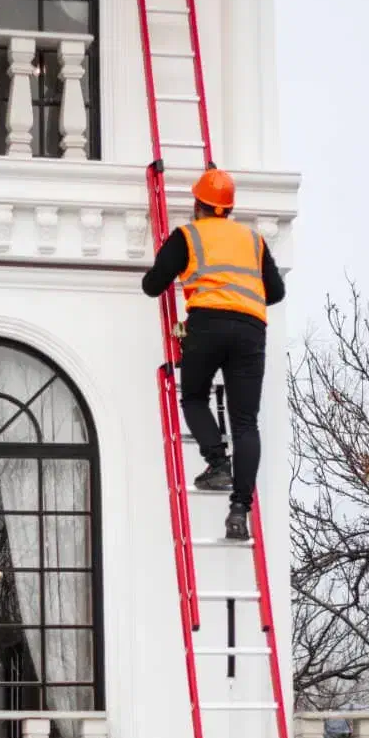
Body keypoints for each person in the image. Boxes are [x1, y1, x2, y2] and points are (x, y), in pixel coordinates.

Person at [141, 168, 285, 540]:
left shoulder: (188, 235)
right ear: (228, 208)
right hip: (252, 330)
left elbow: (152, 285)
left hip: (207, 324)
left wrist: (177, 266)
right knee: (246, 423)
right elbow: (277, 292)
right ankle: (239, 511)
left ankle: (218, 462)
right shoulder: (254, 240)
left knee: (192, 397)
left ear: (197, 204)